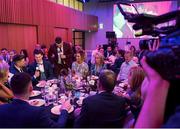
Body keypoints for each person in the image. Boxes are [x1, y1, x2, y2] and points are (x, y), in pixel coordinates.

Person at [0, 72, 71, 128]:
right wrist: (64, 110)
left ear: (12, 89)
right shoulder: (37, 113)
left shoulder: (2, 109)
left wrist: (27, 106)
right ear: (31, 89)